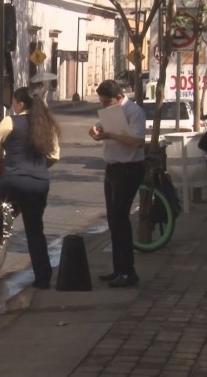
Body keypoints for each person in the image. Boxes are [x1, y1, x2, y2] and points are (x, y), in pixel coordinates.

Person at [0, 87, 61, 289]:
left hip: (13, 180)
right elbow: (54, 156)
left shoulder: (10, 121)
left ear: (21, 104)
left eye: (13, 102)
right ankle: (43, 278)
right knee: (35, 231)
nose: (12, 106)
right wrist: (39, 168)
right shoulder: (46, 125)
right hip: (39, 182)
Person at [89, 80, 146, 288]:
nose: (104, 105)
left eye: (107, 101)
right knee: (113, 219)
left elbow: (137, 140)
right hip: (112, 167)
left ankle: (127, 271)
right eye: (101, 102)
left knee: (121, 218)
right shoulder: (109, 112)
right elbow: (101, 128)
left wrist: (110, 135)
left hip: (128, 168)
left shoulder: (134, 112)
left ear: (119, 98)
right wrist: (95, 130)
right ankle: (118, 268)